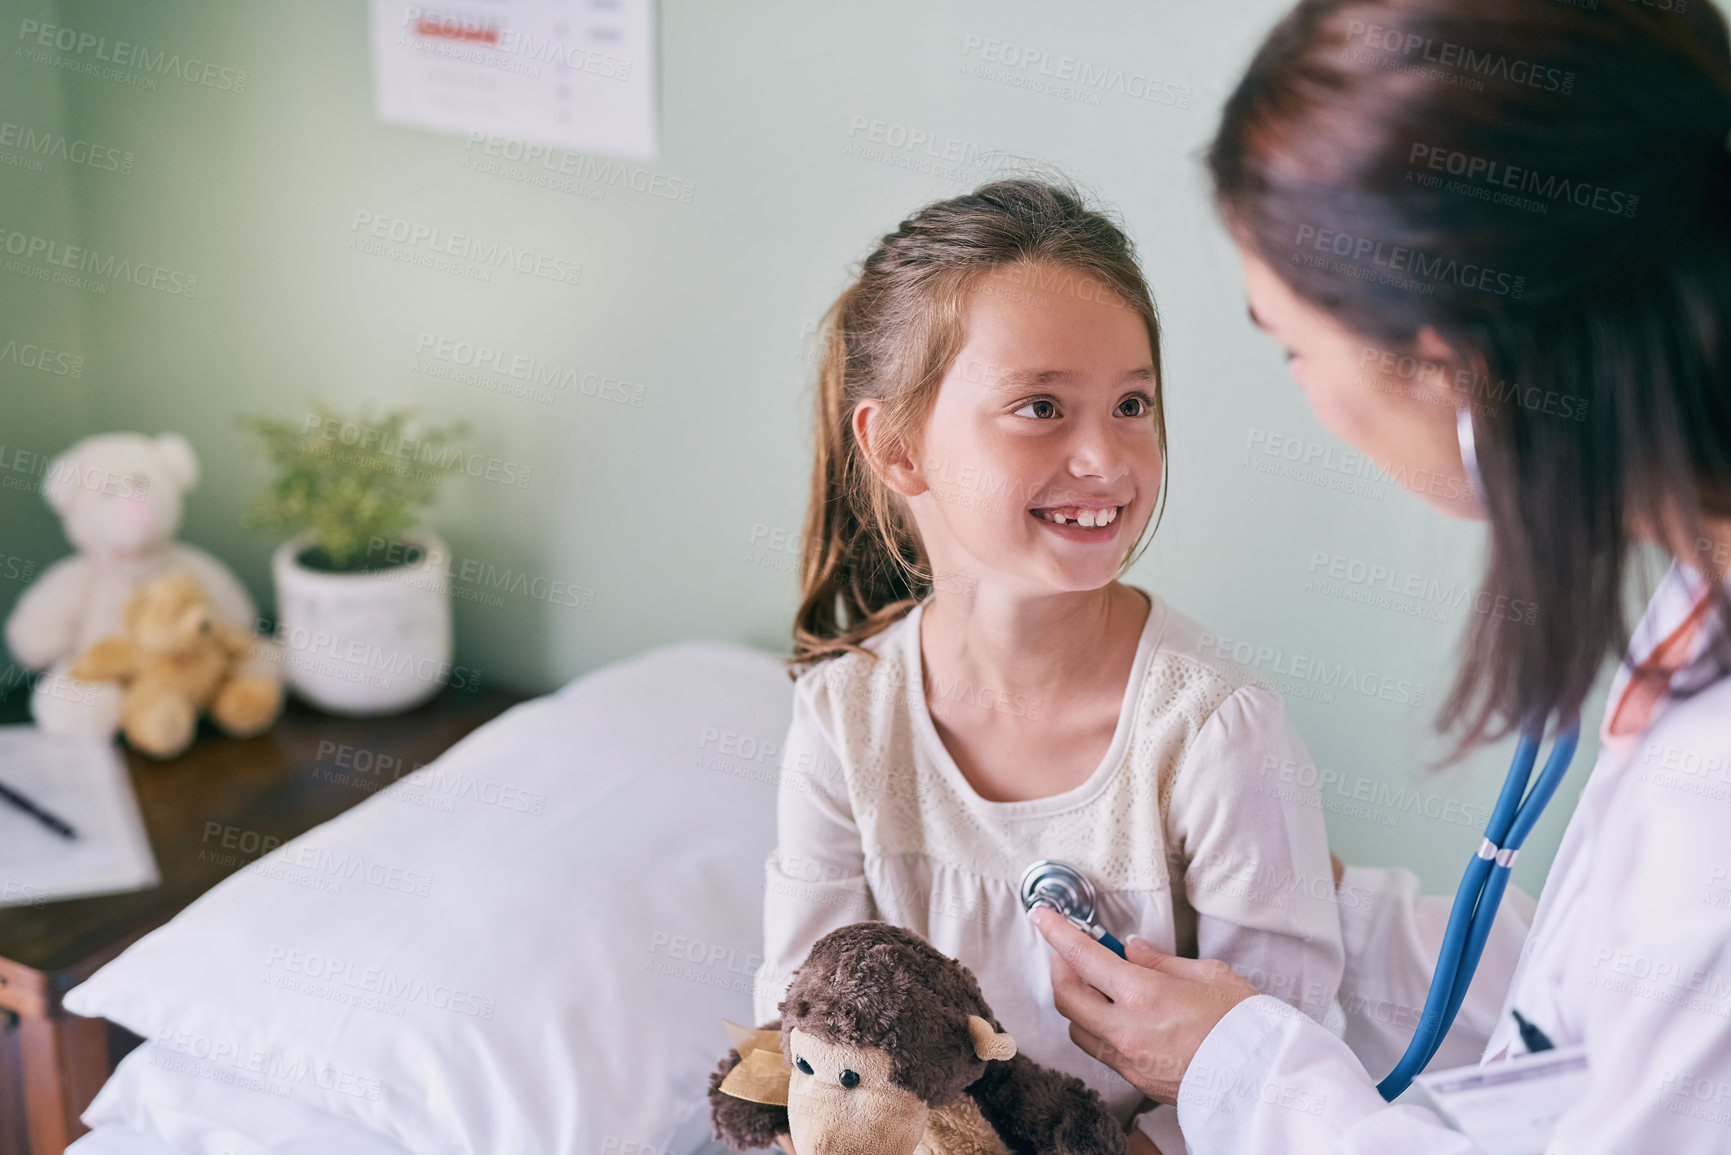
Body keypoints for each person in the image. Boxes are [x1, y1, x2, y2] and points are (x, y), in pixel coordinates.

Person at [1030, 1, 1731, 1151]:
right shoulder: (1695, 590)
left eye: (1293, 344)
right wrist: (1316, 905)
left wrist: (1243, 1072)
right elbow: (1597, 1024)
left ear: (1457, 364)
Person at [758, 179, 1346, 1153]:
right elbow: (805, 1037)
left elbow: (1271, 1080)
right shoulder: (843, 718)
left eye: (1131, 404)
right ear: (900, 446)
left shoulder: (1217, 732)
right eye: (1041, 407)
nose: (1107, 462)